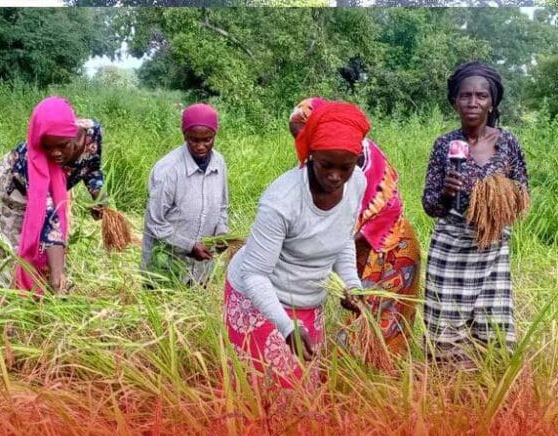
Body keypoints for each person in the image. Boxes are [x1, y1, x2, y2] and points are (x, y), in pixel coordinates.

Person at [225, 101, 370, 389]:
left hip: (307, 300)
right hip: (259, 300)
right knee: (258, 393)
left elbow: (341, 239)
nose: (335, 177)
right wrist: (286, 326)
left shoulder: (358, 185)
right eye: (326, 165)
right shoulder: (282, 201)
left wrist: (352, 285)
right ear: (310, 155)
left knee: (300, 394)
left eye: (346, 167)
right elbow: (254, 274)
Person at [289, 98, 421, 363]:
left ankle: (381, 387)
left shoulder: (362, 160)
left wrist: (332, 241)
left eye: (304, 134)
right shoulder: (317, 164)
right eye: (296, 137)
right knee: (361, 319)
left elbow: (386, 208)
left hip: (391, 251)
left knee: (382, 324)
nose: (301, 145)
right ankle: (361, 381)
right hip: (358, 253)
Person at [422, 61, 529, 365]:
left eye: (480, 96)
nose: (472, 103)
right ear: (454, 101)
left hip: (492, 249)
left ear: (491, 101)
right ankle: (447, 398)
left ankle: (484, 397)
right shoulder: (445, 144)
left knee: (494, 335)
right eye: (465, 96)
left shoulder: (508, 143)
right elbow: (430, 206)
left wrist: (498, 192)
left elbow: (523, 196)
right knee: (444, 334)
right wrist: (446, 193)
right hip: (450, 249)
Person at [0, 96, 106, 293]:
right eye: (48, 147)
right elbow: (50, 219)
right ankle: (6, 297)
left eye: (62, 145)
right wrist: (57, 275)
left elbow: (92, 169)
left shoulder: (92, 134)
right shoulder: (31, 159)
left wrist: (100, 197)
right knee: (10, 253)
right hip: (12, 191)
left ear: (73, 136)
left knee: (49, 257)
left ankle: (46, 288)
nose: (55, 153)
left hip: (49, 193)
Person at [141, 103, 229, 287]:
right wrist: (189, 246)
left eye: (207, 140)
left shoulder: (219, 163)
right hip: (165, 268)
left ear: (215, 135)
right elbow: (154, 223)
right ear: (184, 135)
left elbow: (222, 207)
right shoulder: (169, 170)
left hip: (201, 270)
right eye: (193, 140)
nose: (200, 146)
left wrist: (222, 233)